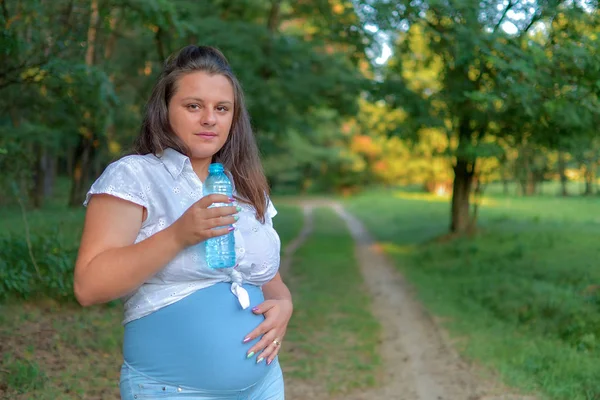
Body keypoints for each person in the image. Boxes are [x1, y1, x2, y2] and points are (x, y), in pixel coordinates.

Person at [73, 45, 293, 400]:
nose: (210, 119)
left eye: (222, 109)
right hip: (171, 390)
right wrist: (178, 235)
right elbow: (88, 286)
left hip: (263, 386)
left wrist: (285, 305)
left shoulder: (248, 186)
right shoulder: (134, 176)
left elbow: (271, 282)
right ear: (165, 110)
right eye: (194, 106)